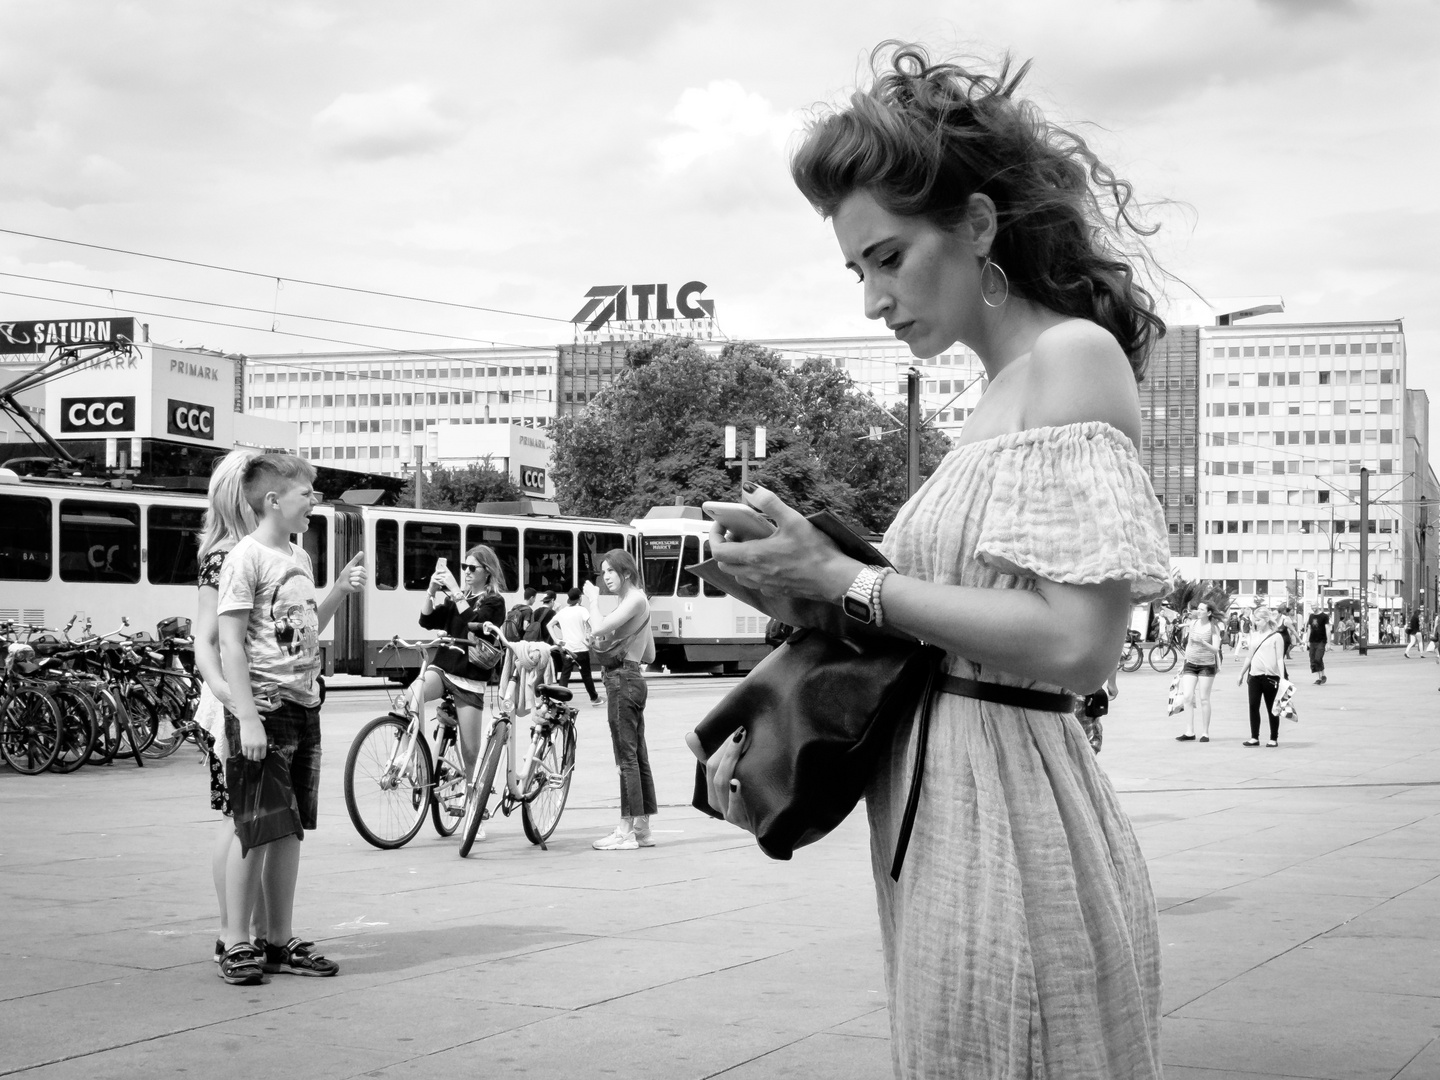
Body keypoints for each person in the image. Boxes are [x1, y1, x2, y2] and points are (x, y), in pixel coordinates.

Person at [697, 44, 1171, 1077]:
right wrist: (801, 594)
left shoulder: (1070, 358)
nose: (872, 298)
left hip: (1011, 810)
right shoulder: (991, 400)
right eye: (856, 268)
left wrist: (848, 581)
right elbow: (928, 621)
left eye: (888, 257)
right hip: (940, 807)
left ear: (978, 226)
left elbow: (1081, 645)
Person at [215, 453, 364, 986]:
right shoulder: (245, 558)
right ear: (274, 500)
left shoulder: (297, 556)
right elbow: (230, 645)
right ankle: (237, 943)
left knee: (288, 831)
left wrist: (338, 594)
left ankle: (278, 942)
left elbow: (304, 628)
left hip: (303, 705)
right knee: (256, 829)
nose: (314, 502)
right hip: (267, 707)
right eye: (307, 494)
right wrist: (247, 719)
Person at [192, 448, 266, 970]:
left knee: (240, 818)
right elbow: (208, 641)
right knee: (238, 819)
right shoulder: (227, 555)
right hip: (230, 705)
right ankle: (231, 932)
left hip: (242, 699)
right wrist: (227, 697)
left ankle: (240, 930)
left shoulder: (243, 550)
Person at [416, 544, 508, 832]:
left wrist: (455, 591)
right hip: (444, 669)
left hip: (469, 678)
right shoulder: (462, 596)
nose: (466, 572)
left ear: (487, 572)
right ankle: (414, 757)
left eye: (472, 568)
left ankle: (474, 813)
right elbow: (427, 620)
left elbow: (474, 625)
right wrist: (431, 591)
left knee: (471, 753)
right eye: (464, 567)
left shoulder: (494, 602)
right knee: (411, 696)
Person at [587, 549, 657, 851]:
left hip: (622, 681)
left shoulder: (634, 599)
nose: (605, 578)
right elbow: (651, 654)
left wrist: (591, 601)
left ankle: (625, 831)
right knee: (637, 755)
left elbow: (598, 627)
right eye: (603, 573)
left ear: (626, 572)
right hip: (633, 679)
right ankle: (642, 827)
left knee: (625, 757)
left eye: (610, 572)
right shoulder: (638, 603)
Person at [1175, 601, 1224, 742]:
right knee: (1187, 696)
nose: (1199, 610)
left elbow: (1215, 649)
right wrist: (1185, 659)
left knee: (1204, 698)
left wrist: (1203, 643)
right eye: (1199, 608)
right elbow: (1189, 642)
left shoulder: (1213, 628)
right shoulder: (1193, 623)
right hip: (1190, 664)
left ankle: (1205, 733)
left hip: (1206, 666)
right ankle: (1189, 731)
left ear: (1208, 613)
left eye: (1202, 609)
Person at [1238, 608, 1286, 747]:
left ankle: (1273, 738)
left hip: (1270, 676)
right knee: (1253, 706)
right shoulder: (1254, 635)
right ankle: (1254, 737)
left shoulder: (1276, 636)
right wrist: (1241, 673)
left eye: (1258, 620)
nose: (1256, 623)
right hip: (1254, 676)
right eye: (1255, 620)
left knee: (1272, 707)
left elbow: (1279, 659)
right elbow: (1249, 656)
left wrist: (1282, 677)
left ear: (1266, 620)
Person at [548, 587, 602, 706]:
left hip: (567, 649)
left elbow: (549, 625)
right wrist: (592, 637)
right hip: (581, 648)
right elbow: (592, 624)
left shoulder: (562, 612)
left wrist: (557, 640)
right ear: (580, 598)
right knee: (586, 675)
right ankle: (594, 698)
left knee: (565, 674)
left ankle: (560, 699)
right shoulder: (582, 610)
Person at [1307, 606, 1330, 685]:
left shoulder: (1324, 616)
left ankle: (1321, 677)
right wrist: (1307, 641)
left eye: (1314, 606)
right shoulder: (1311, 616)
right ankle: (1321, 676)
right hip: (1312, 641)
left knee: (1318, 658)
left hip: (1321, 641)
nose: (1313, 607)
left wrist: (1328, 642)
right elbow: (1309, 628)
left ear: (1318, 605)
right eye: (1312, 606)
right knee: (1313, 659)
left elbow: (1327, 629)